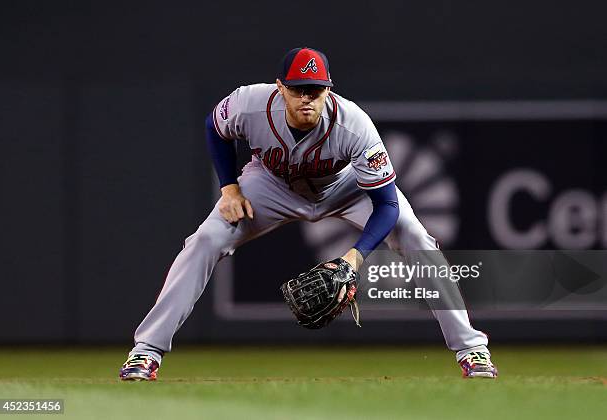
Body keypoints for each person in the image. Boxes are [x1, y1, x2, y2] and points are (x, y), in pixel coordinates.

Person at [119, 47, 498, 381]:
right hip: (269, 186)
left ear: (327, 90)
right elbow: (214, 128)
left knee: (416, 237)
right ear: (279, 87)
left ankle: (470, 349)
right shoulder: (249, 103)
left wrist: (356, 255)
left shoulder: (355, 125)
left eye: (315, 90)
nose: (307, 98)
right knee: (204, 240)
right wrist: (228, 186)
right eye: (298, 89)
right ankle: (146, 351)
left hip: (345, 188)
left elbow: (386, 205)